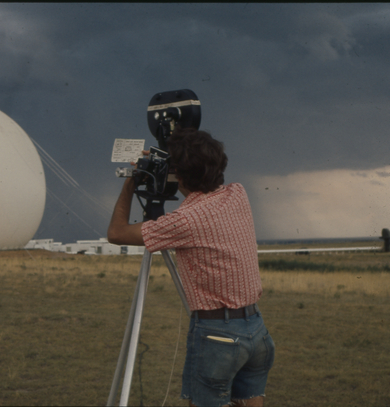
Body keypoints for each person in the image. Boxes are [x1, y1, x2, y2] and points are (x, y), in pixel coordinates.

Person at [107, 127, 275, 407]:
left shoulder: (184, 221)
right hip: (256, 330)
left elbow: (116, 233)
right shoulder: (238, 193)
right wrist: (172, 159)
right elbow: (203, 169)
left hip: (218, 337)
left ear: (179, 176)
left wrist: (132, 182)